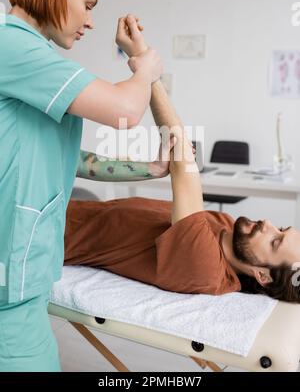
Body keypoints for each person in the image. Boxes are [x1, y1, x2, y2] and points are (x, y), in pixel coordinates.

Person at [0, 0, 165, 372]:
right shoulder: (11, 46)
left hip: (23, 273)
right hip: (8, 280)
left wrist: (149, 169)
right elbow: (125, 111)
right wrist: (144, 66)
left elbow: (71, 158)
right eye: (88, 4)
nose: (90, 21)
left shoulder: (29, 56)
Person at [64, 41, 300, 304]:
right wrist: (151, 169)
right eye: (280, 228)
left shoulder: (206, 267)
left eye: (275, 242)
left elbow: (182, 158)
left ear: (262, 276)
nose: (268, 225)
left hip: (54, 233)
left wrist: (147, 70)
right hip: (71, 210)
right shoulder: (227, 227)